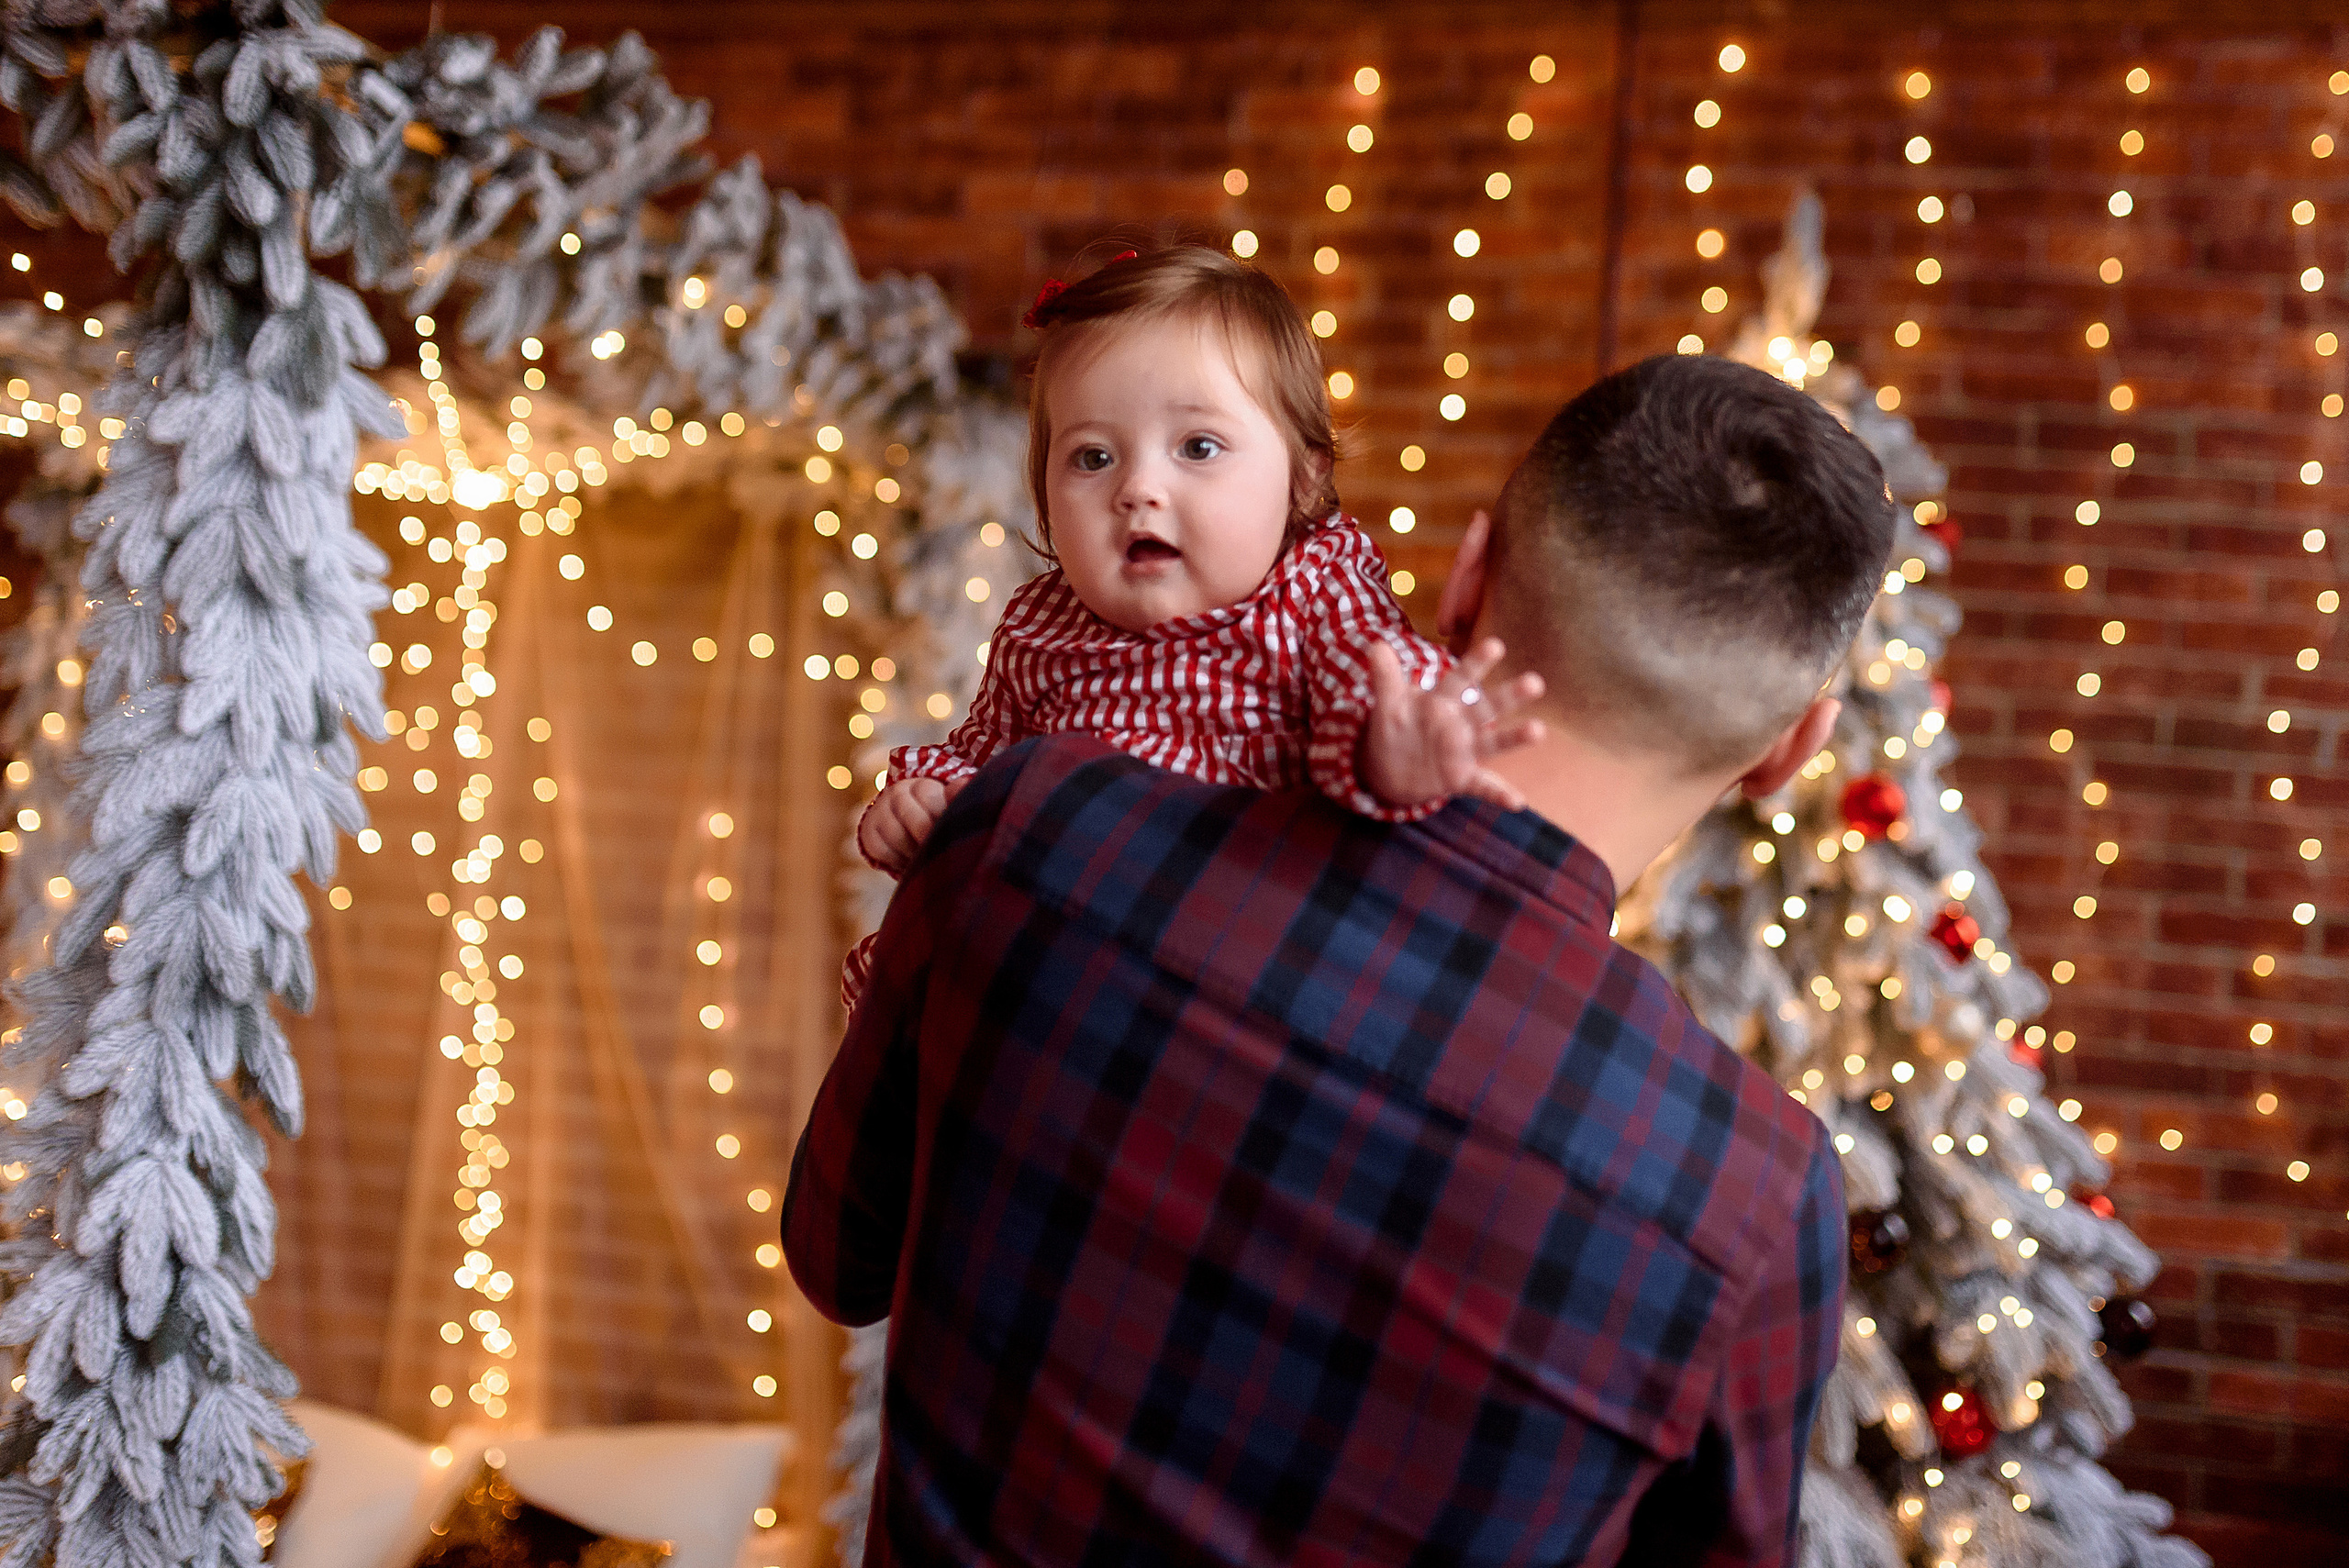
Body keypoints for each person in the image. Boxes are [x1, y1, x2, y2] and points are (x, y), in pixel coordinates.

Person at [785, 350, 1894, 1565]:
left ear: (1469, 583)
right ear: (1793, 749)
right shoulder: (1750, 1190)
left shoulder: (1042, 825)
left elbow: (839, 1249)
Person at [840, 245, 1544, 1005]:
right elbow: (981, 755)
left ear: (1305, 476)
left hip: (1229, 972)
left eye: (1198, 447)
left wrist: (1393, 750)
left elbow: (1369, 682)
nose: (1138, 487)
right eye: (1092, 456)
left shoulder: (1315, 589)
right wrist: (929, 800)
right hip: (1049, 975)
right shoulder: (1041, 625)